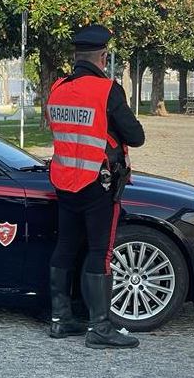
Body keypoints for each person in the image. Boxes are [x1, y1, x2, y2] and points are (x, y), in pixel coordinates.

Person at [45, 24, 145, 349]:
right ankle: (99, 327)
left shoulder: (58, 87)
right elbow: (136, 136)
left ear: (76, 56)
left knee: (66, 247)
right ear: (103, 56)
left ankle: (60, 319)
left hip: (64, 181)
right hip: (97, 183)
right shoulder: (106, 90)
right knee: (100, 253)